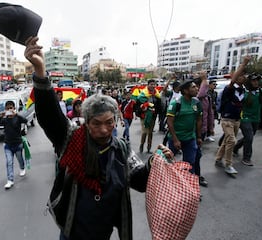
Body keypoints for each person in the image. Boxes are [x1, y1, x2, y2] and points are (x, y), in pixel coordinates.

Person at [24, 36, 174, 240]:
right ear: (86, 121)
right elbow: (50, 117)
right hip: (72, 232)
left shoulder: (122, 148)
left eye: (110, 122)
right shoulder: (71, 138)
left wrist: (156, 162)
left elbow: (140, 180)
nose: (104, 130)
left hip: (103, 233)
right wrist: (40, 72)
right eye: (96, 123)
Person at [233, 74, 262, 166]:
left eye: (257, 80)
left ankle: (236, 147)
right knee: (249, 137)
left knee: (249, 136)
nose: (256, 82)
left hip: (256, 119)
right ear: (248, 82)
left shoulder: (261, 91)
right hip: (244, 118)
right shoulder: (243, 92)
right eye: (253, 80)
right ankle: (247, 158)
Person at [215, 56, 251, 174]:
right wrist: (243, 64)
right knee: (232, 140)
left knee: (227, 140)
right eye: (240, 75)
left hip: (236, 120)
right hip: (227, 119)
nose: (242, 77)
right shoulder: (229, 88)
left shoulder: (243, 90)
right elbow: (233, 80)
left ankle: (218, 158)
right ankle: (228, 164)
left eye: (243, 75)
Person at [166, 79, 202, 175]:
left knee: (190, 163)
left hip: (190, 138)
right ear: (186, 91)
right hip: (175, 138)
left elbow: (199, 119)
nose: (197, 89)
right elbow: (169, 122)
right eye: (193, 87)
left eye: (196, 87)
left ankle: (186, 184)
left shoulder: (196, 102)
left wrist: (199, 137)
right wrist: (175, 140)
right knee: (169, 163)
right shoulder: (175, 103)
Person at [0, 100, 28, 189]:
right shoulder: (4, 119)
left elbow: (25, 120)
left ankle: (22, 168)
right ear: (5, 109)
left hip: (18, 144)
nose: (9, 110)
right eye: (7, 108)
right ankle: (10, 180)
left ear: (14, 108)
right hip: (7, 145)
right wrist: (1, 116)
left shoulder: (17, 118)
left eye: (11, 108)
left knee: (20, 158)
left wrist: (16, 114)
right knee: (9, 162)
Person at [137, 79, 162, 153]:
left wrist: (157, 112)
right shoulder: (143, 94)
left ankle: (149, 147)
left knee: (150, 132)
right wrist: (144, 107)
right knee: (144, 132)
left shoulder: (157, 94)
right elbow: (138, 106)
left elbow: (159, 105)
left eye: (154, 84)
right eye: (151, 84)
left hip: (153, 116)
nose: (153, 86)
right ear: (148, 85)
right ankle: (141, 145)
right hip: (144, 116)